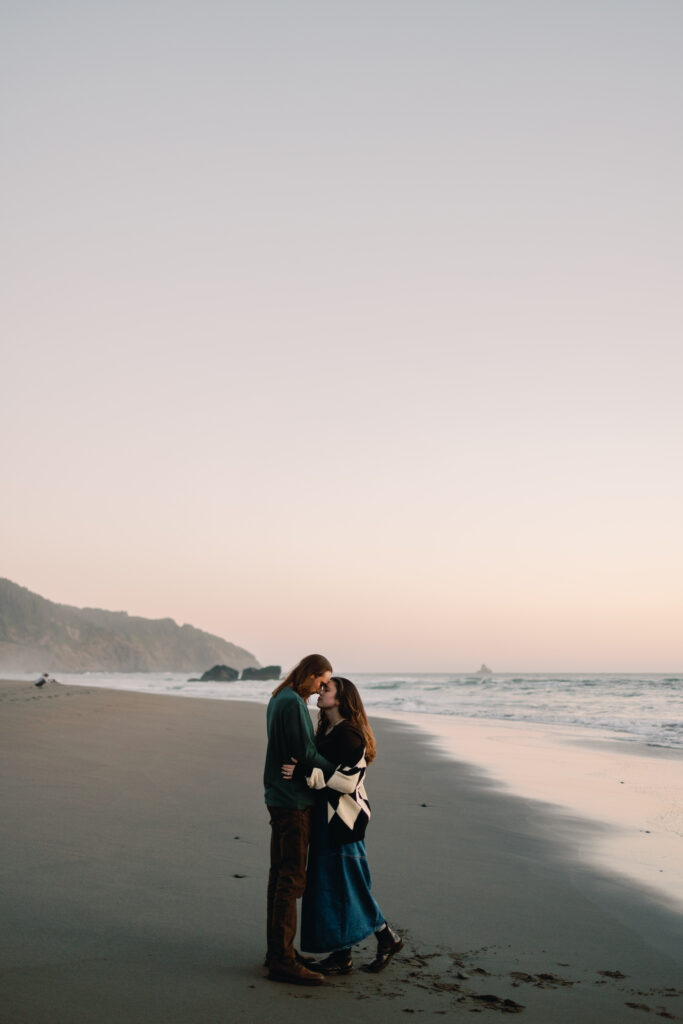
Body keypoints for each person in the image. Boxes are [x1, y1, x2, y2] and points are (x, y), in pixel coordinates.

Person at [282, 676, 402, 975]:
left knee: (350, 885)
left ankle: (387, 937)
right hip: (327, 818)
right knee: (333, 885)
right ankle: (342, 956)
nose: (319, 692)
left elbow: (348, 782)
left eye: (326, 689)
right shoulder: (329, 730)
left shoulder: (349, 734)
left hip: (344, 821)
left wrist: (302, 773)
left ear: (341, 698)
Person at [263, 653, 336, 986]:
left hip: (279, 796)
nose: (322, 688)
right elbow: (305, 753)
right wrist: (339, 771)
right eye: (322, 681)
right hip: (292, 801)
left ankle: (281, 952)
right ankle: (282, 959)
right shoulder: (292, 703)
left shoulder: (279, 698)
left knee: (279, 875)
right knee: (291, 877)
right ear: (309, 675)